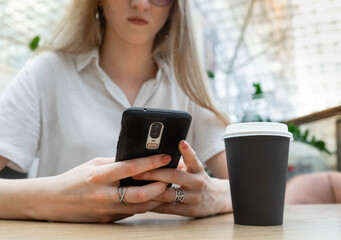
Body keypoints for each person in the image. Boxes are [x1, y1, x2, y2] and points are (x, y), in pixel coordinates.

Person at [0, 0, 232, 222]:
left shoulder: (186, 86)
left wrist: (213, 195)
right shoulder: (47, 72)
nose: (141, 4)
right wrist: (55, 198)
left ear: (174, 7)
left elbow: (254, 189)